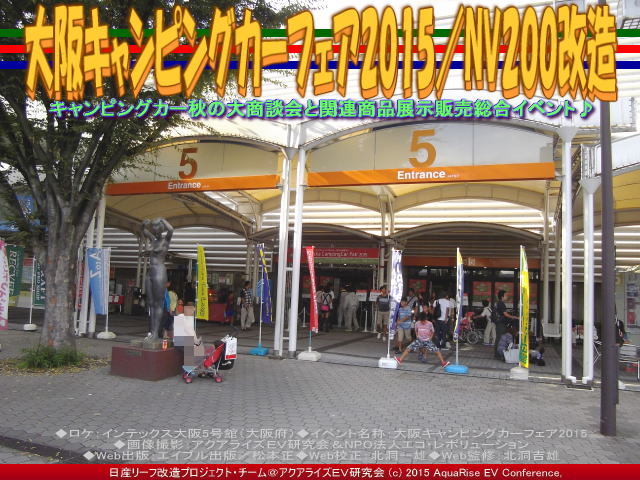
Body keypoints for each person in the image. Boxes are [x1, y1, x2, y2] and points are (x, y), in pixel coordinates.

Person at [141, 218, 173, 341]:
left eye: (156, 228)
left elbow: (171, 229)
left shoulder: (166, 240)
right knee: (151, 303)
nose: (154, 231)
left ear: (160, 229)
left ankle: (155, 332)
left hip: (159, 271)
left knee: (158, 303)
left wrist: (163, 220)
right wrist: (143, 225)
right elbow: (144, 231)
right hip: (150, 272)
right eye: (153, 228)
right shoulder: (153, 240)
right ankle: (152, 331)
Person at [494, 290, 519, 359]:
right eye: (506, 295)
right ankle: (498, 354)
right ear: (502, 296)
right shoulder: (501, 304)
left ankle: (498, 354)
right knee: (500, 338)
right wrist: (515, 317)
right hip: (501, 324)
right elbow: (505, 314)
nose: (507, 296)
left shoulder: (498, 303)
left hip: (499, 323)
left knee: (499, 338)